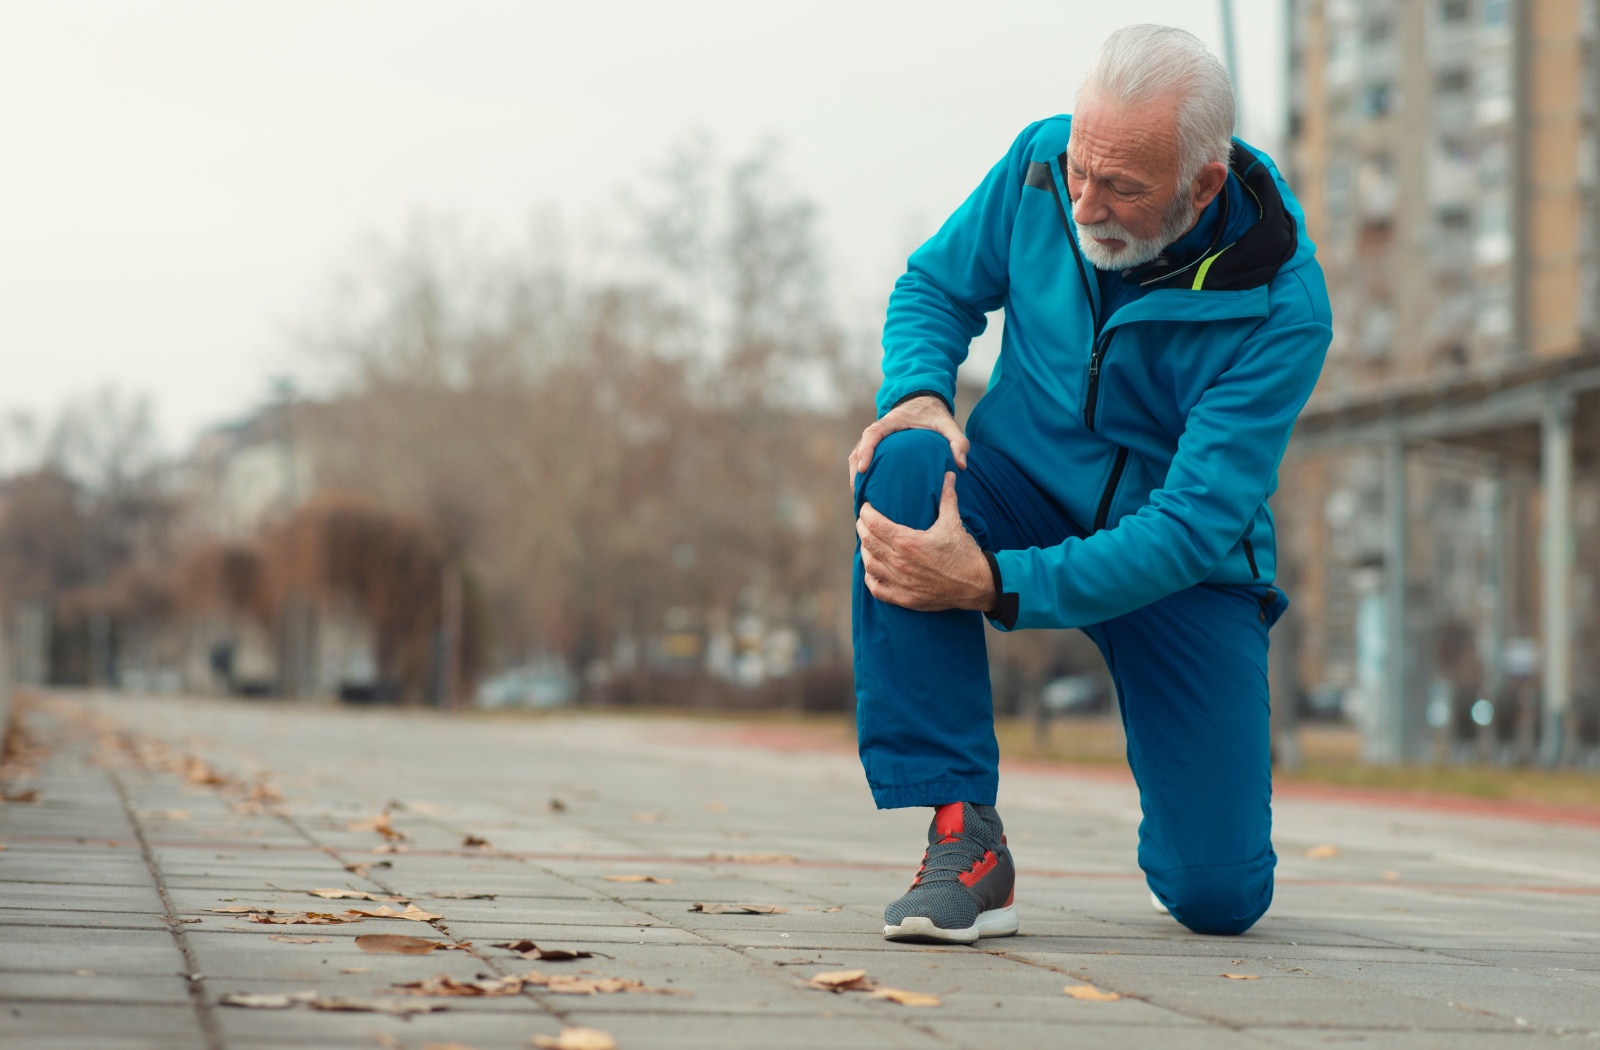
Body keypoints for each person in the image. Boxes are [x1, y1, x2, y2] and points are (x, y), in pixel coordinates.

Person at [848, 24, 1331, 942]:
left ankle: (1191, 851)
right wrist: (916, 390)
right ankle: (966, 840)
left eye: (1121, 188)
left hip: (1179, 566)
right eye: (1081, 168)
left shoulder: (1284, 310)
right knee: (905, 460)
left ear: (1203, 187)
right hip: (1017, 492)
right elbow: (934, 288)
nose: (1084, 200)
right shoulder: (1039, 164)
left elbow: (1191, 527)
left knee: (1220, 897)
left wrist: (996, 585)